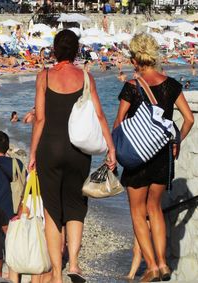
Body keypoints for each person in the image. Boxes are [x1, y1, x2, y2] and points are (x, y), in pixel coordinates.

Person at [28, 30, 116, 283]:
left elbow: (41, 119)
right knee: (76, 207)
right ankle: (74, 265)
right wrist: (111, 148)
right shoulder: (86, 78)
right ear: (77, 50)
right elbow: (99, 115)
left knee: (53, 211)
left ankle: (56, 273)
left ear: (55, 50)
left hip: (50, 149)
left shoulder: (43, 76)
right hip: (78, 152)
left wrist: (32, 153)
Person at [113, 33, 194, 282]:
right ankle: (163, 263)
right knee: (154, 209)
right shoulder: (171, 85)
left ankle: (151, 267)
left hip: (137, 157)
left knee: (137, 212)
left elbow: (119, 123)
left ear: (137, 57)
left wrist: (112, 152)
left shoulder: (133, 87)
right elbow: (189, 119)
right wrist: (176, 141)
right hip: (162, 157)